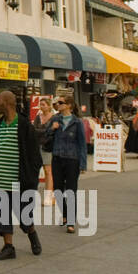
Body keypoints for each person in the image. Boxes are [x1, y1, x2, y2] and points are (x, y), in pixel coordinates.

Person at [0, 90, 43, 260]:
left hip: (19, 180)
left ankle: (32, 234)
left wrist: (30, 176)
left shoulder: (24, 125)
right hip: (0, 179)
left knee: (23, 213)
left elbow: (34, 155)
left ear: (7, 103)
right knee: (2, 213)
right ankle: (8, 246)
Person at [48, 96, 87, 233]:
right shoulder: (55, 119)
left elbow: (82, 143)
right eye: (57, 103)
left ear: (69, 105)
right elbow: (46, 135)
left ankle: (70, 221)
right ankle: (64, 213)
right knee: (57, 190)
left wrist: (83, 164)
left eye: (61, 103)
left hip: (72, 159)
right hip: (57, 158)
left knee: (71, 190)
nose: (58, 105)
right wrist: (52, 129)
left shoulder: (77, 122)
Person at [33, 98, 57, 206]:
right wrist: (47, 131)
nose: (41, 106)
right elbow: (34, 131)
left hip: (49, 147)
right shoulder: (38, 117)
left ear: (48, 106)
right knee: (35, 171)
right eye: (40, 104)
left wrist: (44, 132)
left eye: (43, 104)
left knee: (48, 172)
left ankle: (49, 197)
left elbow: (53, 133)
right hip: (38, 147)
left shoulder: (54, 117)